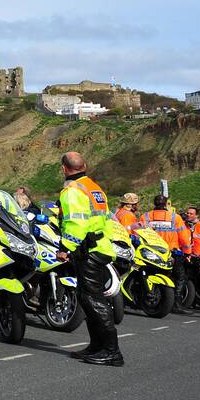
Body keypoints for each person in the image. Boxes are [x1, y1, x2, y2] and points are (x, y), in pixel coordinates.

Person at [57, 151, 123, 366]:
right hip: (101, 246)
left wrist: (65, 247)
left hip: (89, 251)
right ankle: (97, 346)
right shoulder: (94, 188)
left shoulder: (72, 191)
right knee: (88, 298)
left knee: (94, 300)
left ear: (64, 169)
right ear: (85, 165)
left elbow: (77, 223)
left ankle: (112, 352)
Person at [138, 194, 191, 314]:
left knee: (148, 274)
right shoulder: (175, 217)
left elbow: (138, 233)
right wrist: (187, 252)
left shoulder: (145, 216)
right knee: (179, 277)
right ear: (166, 203)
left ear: (154, 203)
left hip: (151, 251)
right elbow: (183, 236)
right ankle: (176, 304)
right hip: (171, 252)